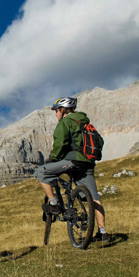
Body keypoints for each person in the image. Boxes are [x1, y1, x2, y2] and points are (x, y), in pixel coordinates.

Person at [34, 97, 110, 242]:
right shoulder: (85, 122)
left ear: (63, 110)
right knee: (94, 198)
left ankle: (54, 205)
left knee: (40, 172)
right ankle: (103, 232)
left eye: (56, 111)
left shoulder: (66, 122)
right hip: (87, 163)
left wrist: (53, 158)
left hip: (73, 160)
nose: (55, 114)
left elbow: (60, 143)